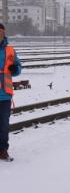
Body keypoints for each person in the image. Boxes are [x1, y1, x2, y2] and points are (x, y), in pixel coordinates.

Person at [0, 23, 21, 161]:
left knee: (3, 125)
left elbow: (18, 67)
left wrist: (15, 69)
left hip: (4, 95)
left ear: (3, 34)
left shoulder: (10, 50)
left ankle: (2, 150)